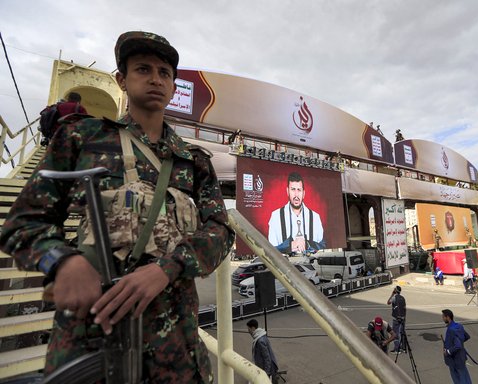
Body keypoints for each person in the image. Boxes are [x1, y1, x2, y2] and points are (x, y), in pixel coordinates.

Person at [0, 31, 235, 382]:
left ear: (173, 87)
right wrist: (63, 262)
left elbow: (220, 229)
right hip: (93, 332)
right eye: (143, 69)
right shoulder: (84, 138)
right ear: (121, 80)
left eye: (164, 73)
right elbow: (23, 224)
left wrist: (167, 268)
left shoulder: (193, 161)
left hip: (174, 345)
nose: (156, 79)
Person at [267, 172, 325, 253]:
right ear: (288, 191)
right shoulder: (275, 216)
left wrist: (307, 244)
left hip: (311, 263)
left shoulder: (315, 217)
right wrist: (289, 246)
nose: (296, 195)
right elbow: (270, 249)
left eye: (299, 190)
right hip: (285, 264)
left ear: (303, 193)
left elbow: (323, 246)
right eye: (293, 189)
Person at [442, 309, 472, 384]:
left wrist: (448, 352)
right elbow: (467, 336)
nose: (442, 318)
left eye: (443, 316)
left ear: (448, 317)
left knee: (457, 378)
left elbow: (457, 346)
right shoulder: (459, 326)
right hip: (461, 357)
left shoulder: (451, 330)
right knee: (464, 376)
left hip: (454, 359)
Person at [247, 319, 279, 383]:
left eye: (249, 329)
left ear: (253, 328)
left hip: (268, 370)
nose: (248, 331)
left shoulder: (260, 341)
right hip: (268, 368)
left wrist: (266, 373)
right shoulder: (261, 335)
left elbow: (267, 358)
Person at [386, 285, 407, 353]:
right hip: (403, 317)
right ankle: (403, 348)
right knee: (402, 332)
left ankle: (397, 349)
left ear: (395, 290)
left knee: (395, 333)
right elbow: (404, 308)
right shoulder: (403, 298)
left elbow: (388, 302)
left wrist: (392, 294)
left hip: (396, 318)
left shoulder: (394, 298)